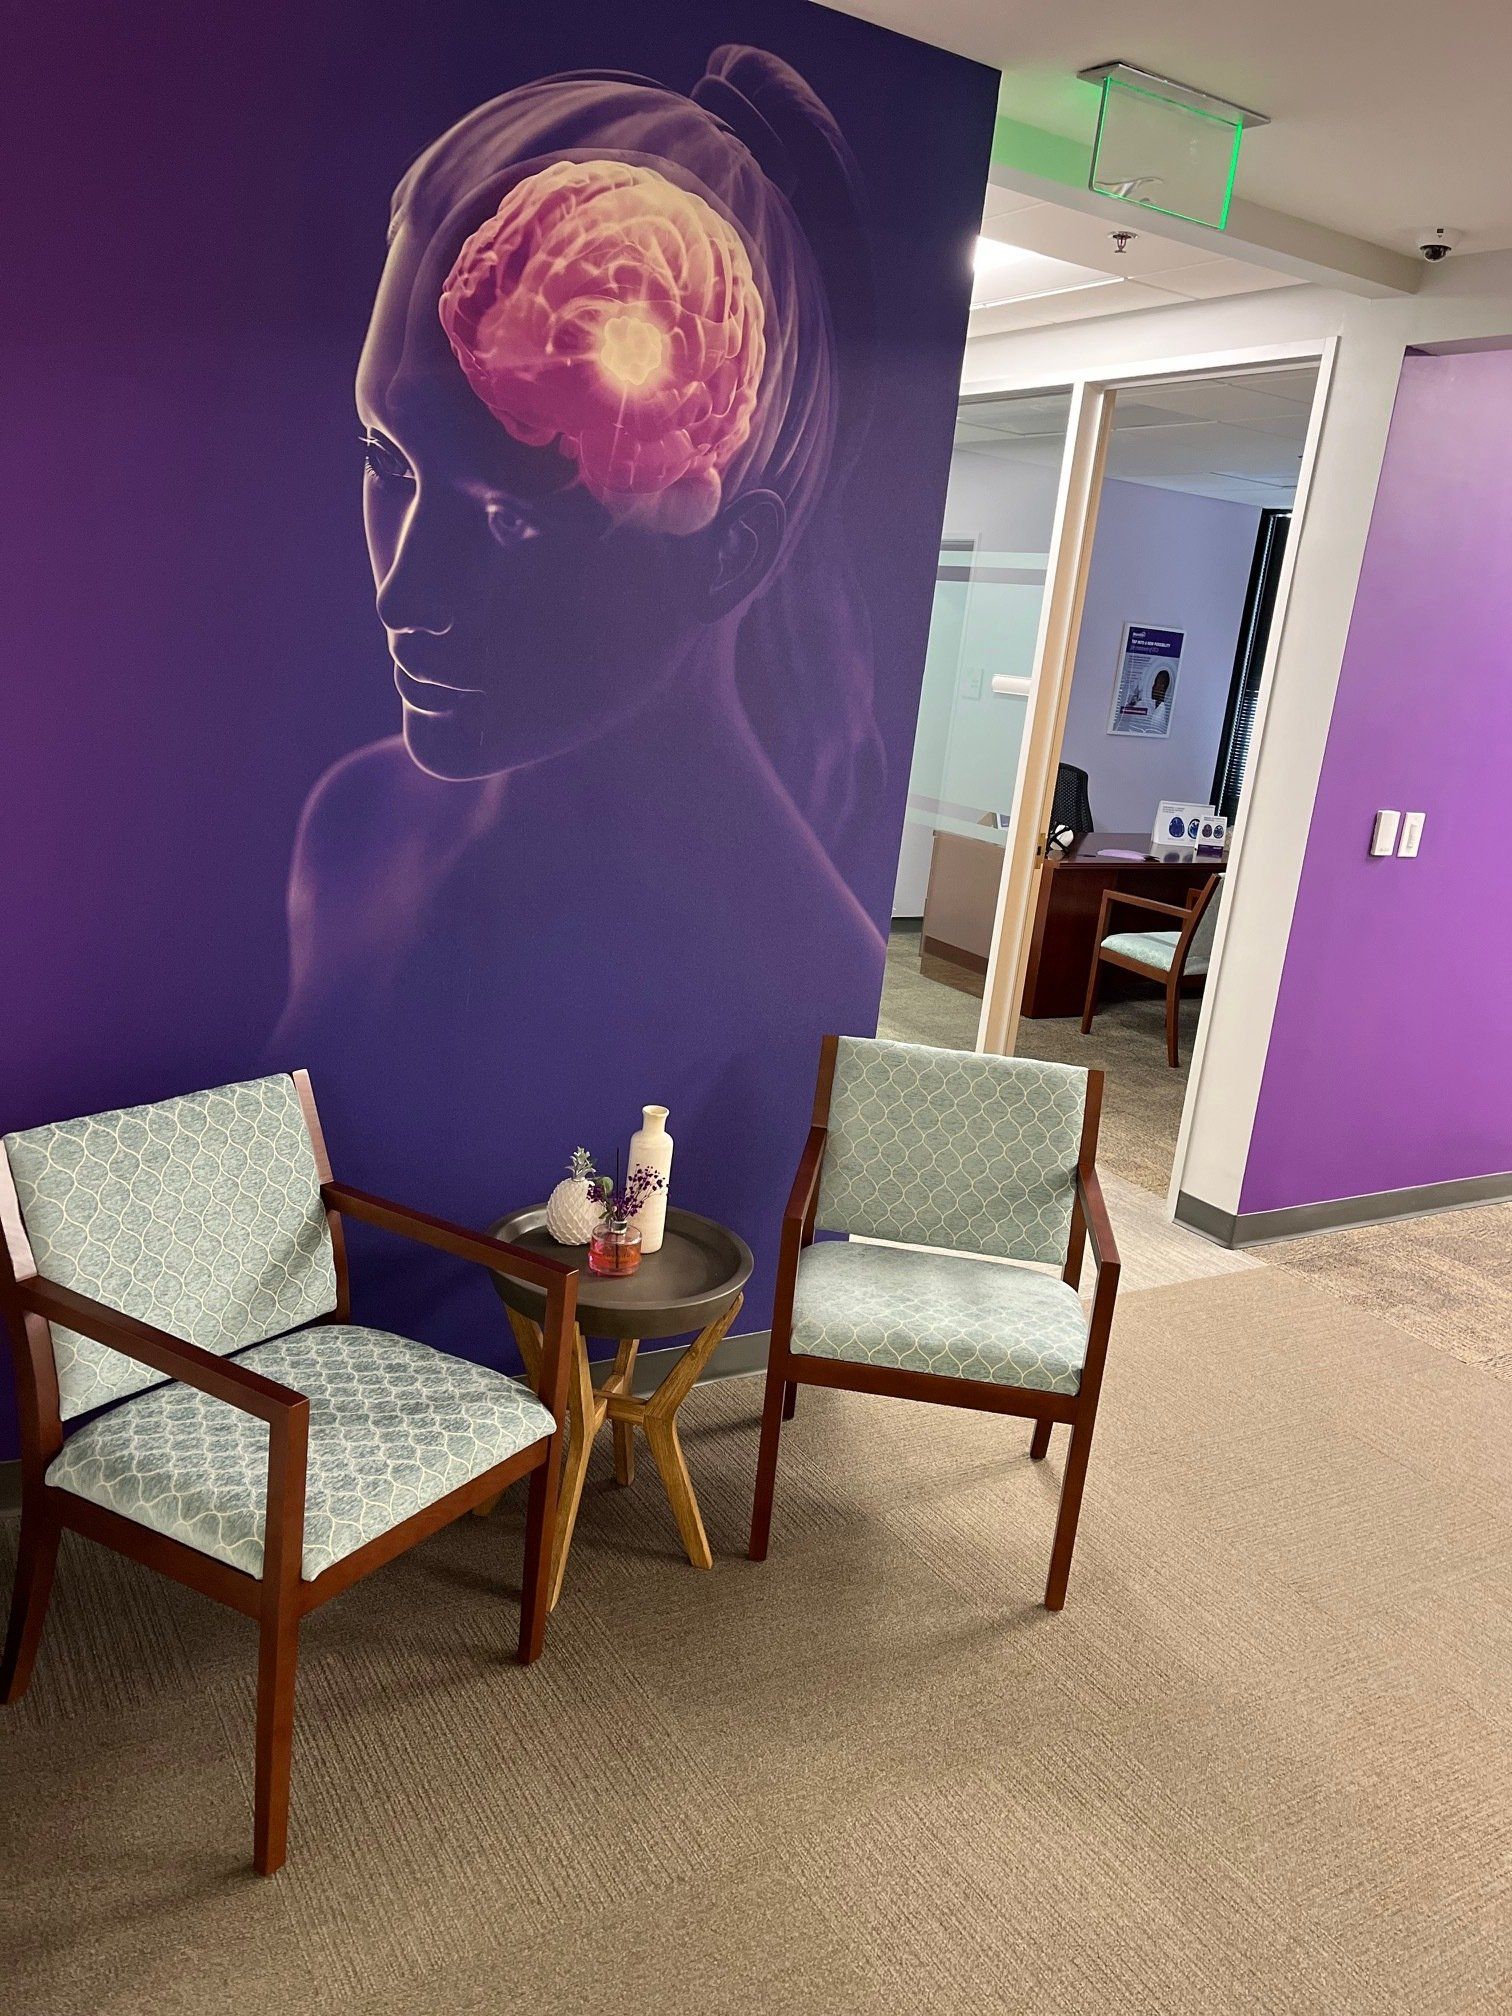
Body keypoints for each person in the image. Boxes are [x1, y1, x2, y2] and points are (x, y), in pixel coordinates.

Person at [269, 49, 887, 1348]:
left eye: (514, 517)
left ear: (728, 548)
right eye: (387, 461)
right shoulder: (356, 823)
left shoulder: (801, 981)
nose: (403, 585)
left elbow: (702, 1351)